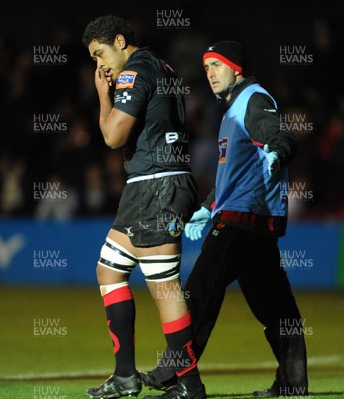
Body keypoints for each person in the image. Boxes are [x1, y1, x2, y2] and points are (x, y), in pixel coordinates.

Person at [139, 41, 308, 398]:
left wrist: (277, 150)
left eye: (217, 65)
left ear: (237, 68)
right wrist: (209, 204)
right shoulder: (233, 109)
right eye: (207, 67)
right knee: (276, 307)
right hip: (248, 219)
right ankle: (293, 384)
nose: (210, 73)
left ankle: (177, 372)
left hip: (241, 220)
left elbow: (281, 135)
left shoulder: (253, 100)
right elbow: (237, 172)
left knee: (198, 294)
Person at [81, 15, 206, 399]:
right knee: (109, 271)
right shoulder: (160, 65)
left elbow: (113, 135)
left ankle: (190, 384)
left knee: (165, 287)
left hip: (158, 186)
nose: (99, 65)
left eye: (100, 54)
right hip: (150, 186)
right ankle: (125, 377)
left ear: (120, 41)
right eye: (93, 60)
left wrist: (102, 94)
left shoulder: (136, 72)